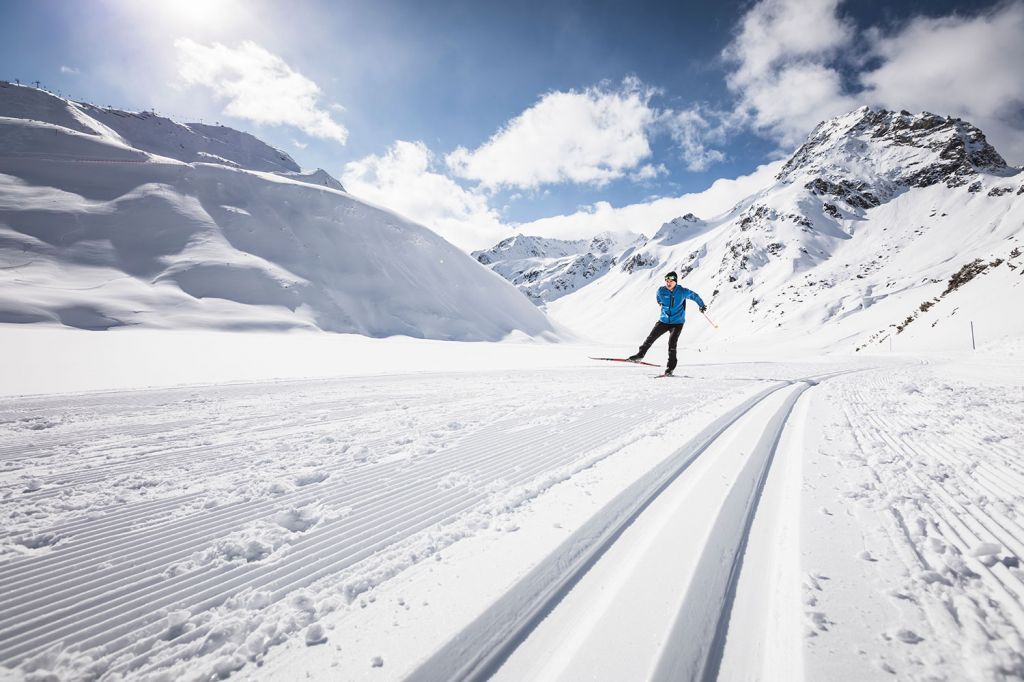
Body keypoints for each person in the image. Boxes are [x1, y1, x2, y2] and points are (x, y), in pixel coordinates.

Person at [628, 271, 706, 376]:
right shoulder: (661, 291)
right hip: (663, 321)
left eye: (670, 281)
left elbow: (694, 296)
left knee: (672, 344)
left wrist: (701, 305)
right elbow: (658, 297)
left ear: (675, 282)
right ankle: (640, 355)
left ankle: (670, 368)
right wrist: (660, 302)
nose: (668, 283)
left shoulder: (682, 291)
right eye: (667, 281)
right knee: (650, 338)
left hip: (677, 323)